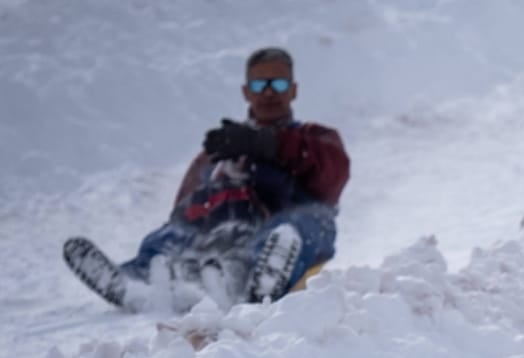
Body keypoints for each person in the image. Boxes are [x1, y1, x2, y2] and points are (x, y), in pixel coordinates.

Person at [63, 46, 349, 309]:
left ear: (294, 90)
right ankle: (137, 281)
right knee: (173, 234)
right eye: (260, 84)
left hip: (284, 228)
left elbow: (333, 175)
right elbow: (183, 205)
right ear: (246, 91)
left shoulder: (315, 137)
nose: (269, 92)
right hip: (223, 236)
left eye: (280, 83)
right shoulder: (220, 150)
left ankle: (265, 275)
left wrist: (265, 144)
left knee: (300, 225)